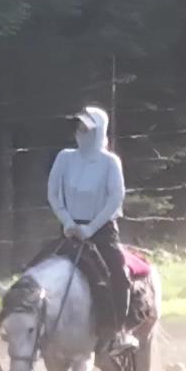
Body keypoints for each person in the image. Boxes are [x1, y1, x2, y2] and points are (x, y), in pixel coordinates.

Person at [46, 104, 129, 314]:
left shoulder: (110, 162)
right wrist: (67, 222)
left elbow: (115, 198)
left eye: (86, 129)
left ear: (98, 131)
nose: (80, 134)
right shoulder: (64, 157)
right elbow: (53, 194)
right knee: (37, 270)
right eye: (78, 128)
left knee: (119, 276)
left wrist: (90, 229)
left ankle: (118, 331)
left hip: (102, 232)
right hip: (69, 230)